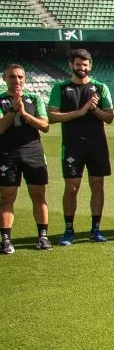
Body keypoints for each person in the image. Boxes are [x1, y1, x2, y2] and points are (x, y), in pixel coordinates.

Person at [47, 48, 114, 244]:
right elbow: (52, 116)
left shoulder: (100, 87)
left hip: (97, 144)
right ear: (71, 65)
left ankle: (96, 229)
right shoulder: (60, 88)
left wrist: (94, 110)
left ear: (90, 65)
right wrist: (81, 111)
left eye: (85, 64)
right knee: (72, 187)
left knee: (97, 185)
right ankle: (69, 229)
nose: (82, 67)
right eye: (78, 64)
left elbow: (109, 117)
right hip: (72, 145)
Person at [0, 62, 51, 252]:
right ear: (5, 78)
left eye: (20, 77)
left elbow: (45, 126)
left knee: (39, 194)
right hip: (7, 153)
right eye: (12, 76)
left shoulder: (34, 99)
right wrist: (13, 110)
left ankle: (43, 237)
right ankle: (6, 240)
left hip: (33, 151)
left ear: (25, 79)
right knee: (7, 196)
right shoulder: (1, 101)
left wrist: (24, 114)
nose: (17, 80)